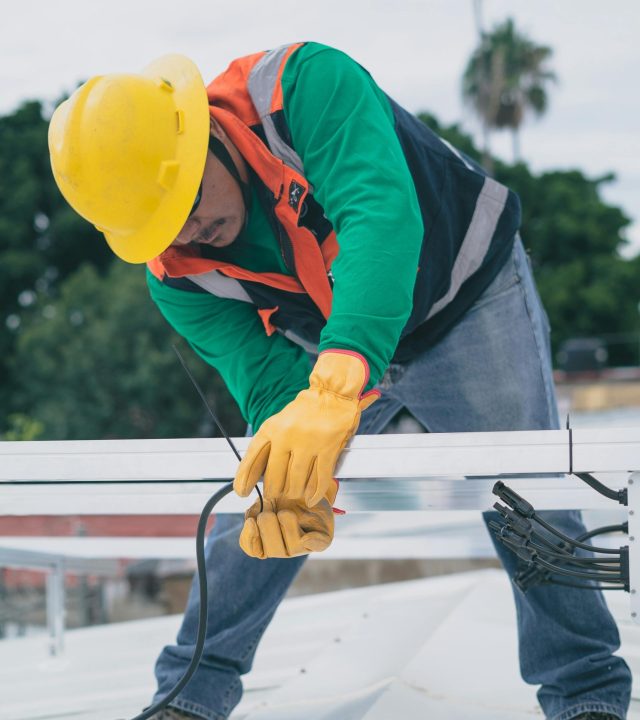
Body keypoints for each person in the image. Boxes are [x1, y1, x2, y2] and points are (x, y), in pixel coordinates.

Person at [48, 42, 630, 720]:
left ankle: (586, 693)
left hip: (465, 299)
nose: (191, 229)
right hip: (338, 345)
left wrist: (336, 385)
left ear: (200, 130)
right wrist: (295, 464)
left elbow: (380, 218)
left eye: (188, 197)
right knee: (261, 495)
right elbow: (265, 382)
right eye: (166, 222)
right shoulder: (178, 275)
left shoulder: (302, 89)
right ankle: (190, 696)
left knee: (524, 495)